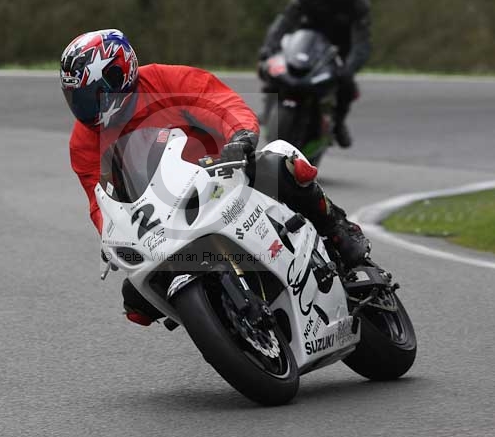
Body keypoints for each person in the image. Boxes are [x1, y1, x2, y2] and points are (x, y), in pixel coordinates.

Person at [61, 28, 370, 325]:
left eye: (94, 95)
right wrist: (111, 233)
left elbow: (222, 103)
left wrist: (240, 137)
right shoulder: (84, 141)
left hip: (223, 173)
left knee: (281, 163)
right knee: (137, 300)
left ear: (121, 73)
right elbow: (99, 199)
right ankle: (222, 314)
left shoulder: (167, 80)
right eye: (78, 99)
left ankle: (337, 229)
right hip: (166, 214)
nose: (88, 108)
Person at [258, 0, 371, 148]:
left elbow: (363, 41)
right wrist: (270, 46)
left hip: (336, 54)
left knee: (347, 87)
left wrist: (350, 66)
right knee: (269, 68)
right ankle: (269, 107)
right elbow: (284, 21)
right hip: (302, 46)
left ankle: (337, 123)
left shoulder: (357, 2)